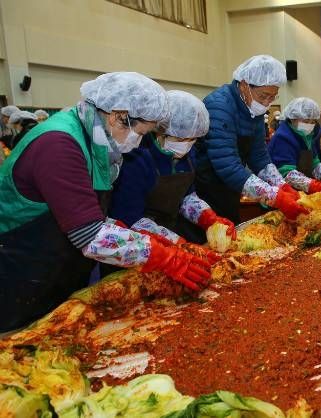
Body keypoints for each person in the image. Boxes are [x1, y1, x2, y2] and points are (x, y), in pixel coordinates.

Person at [0, 72, 217, 333]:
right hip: (21, 268)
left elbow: (92, 212)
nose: (138, 142)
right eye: (140, 132)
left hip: (58, 265)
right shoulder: (58, 144)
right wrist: (160, 255)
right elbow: (89, 234)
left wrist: (147, 237)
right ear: (117, 116)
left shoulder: (95, 142)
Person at [109, 90, 236, 252]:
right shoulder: (136, 157)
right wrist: (176, 242)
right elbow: (130, 218)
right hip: (134, 244)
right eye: (181, 139)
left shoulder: (189, 155)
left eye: (193, 139)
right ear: (160, 131)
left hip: (170, 227)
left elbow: (186, 196)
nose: (187, 145)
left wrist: (208, 218)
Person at [195, 55, 308, 223]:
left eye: (272, 97)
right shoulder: (220, 106)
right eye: (263, 96)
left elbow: (259, 156)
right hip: (206, 189)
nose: (267, 103)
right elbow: (227, 164)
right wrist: (275, 196)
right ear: (244, 85)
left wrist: (281, 185)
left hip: (231, 186)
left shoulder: (253, 109)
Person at [267, 97, 321, 198]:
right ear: (293, 118)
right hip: (283, 194)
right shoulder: (283, 137)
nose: (310, 125)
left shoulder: (309, 134)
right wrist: (317, 186)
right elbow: (287, 174)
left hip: (303, 191)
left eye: (313, 122)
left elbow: (314, 161)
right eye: (306, 121)